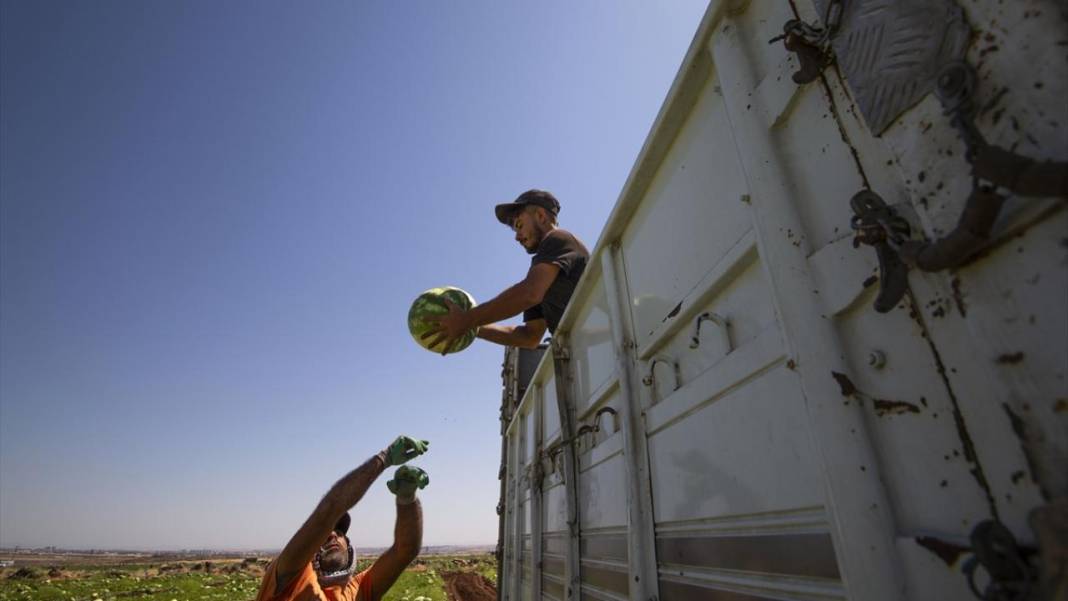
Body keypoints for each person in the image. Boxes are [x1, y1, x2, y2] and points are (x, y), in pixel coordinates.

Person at [254, 435, 431, 601]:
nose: (331, 535)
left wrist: (407, 498)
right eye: (323, 536)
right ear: (311, 552)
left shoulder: (356, 591)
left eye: (339, 532)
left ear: (349, 545)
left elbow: (405, 550)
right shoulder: (289, 577)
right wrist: (384, 458)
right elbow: (329, 511)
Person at [423, 189, 589, 352]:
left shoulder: (558, 238)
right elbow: (530, 337)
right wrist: (474, 328)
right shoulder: (541, 275)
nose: (517, 236)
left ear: (540, 216)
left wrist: (467, 320)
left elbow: (529, 293)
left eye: (519, 225)